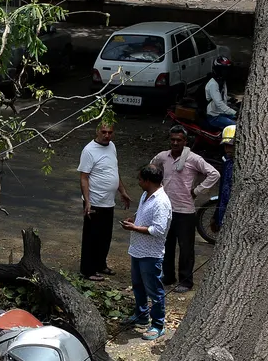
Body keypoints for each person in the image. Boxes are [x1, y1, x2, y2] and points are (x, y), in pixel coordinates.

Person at [150, 124, 219, 293]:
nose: (175, 143)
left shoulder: (193, 159)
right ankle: (168, 276)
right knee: (166, 245)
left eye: (178, 140)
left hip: (185, 210)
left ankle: (186, 281)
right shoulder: (163, 157)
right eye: (172, 139)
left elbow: (214, 174)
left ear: (185, 141)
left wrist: (197, 191)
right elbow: (151, 168)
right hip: (166, 209)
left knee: (186, 248)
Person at [121, 164, 172, 341]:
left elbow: (158, 229)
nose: (139, 182)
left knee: (154, 289)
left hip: (151, 253)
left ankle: (158, 324)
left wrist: (135, 228)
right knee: (138, 285)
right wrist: (134, 219)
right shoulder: (146, 195)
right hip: (137, 249)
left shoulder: (162, 202)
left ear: (148, 181)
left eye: (141, 180)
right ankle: (141, 315)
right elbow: (142, 212)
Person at [77, 122, 131, 281]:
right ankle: (87, 270)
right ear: (97, 132)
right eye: (104, 132)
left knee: (105, 236)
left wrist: (122, 191)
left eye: (110, 132)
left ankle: (100, 264)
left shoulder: (112, 146)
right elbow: (84, 178)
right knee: (91, 236)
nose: (107, 135)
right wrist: (87, 201)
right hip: (94, 201)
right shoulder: (89, 150)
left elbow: (113, 170)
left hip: (109, 201)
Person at [211, 124, 235, 237]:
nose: (228, 149)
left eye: (231, 145)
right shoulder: (226, 162)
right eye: (226, 146)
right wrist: (216, 216)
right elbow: (222, 190)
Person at [204, 56, 237, 130]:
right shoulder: (213, 84)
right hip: (214, 117)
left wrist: (230, 99)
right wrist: (234, 112)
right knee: (236, 126)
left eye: (227, 70)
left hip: (221, 113)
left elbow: (222, 95)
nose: (225, 72)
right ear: (218, 70)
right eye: (223, 70)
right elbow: (219, 103)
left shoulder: (222, 81)